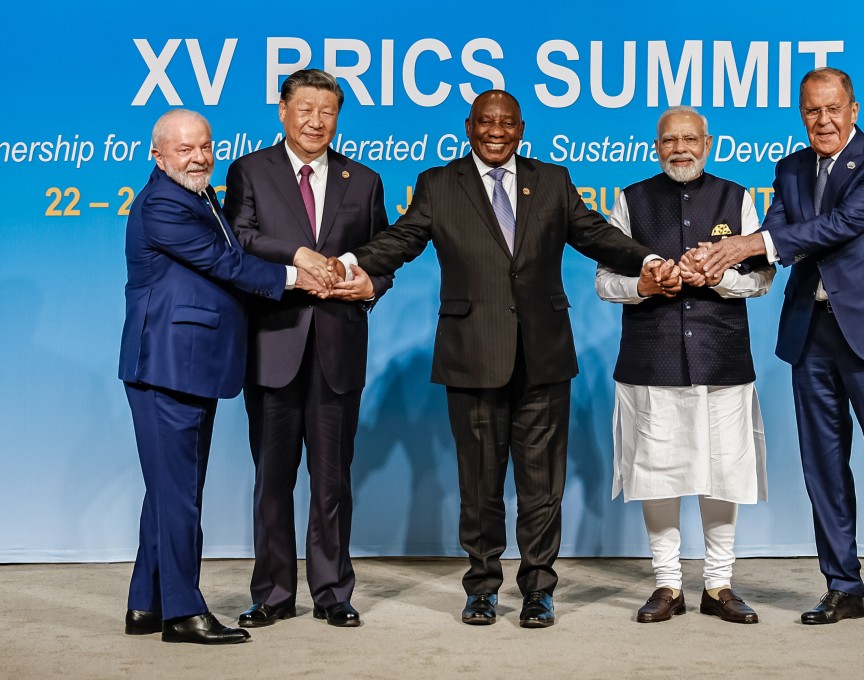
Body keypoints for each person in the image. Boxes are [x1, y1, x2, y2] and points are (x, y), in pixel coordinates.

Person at [339, 89, 675, 628]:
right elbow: (402, 239)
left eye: (507, 123)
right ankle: (482, 586)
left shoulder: (552, 181)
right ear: (468, 126)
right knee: (479, 485)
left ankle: (539, 588)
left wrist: (649, 259)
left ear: (522, 129)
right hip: (471, 356)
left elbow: (595, 234)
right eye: (486, 122)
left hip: (543, 357)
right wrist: (352, 263)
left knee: (543, 487)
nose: (496, 132)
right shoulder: (438, 184)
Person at [698, 67, 864, 634]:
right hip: (810, 334)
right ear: (801, 115)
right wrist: (714, 256)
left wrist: (752, 243)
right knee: (824, 468)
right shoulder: (790, 167)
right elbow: (774, 236)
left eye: (833, 108)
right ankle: (843, 587)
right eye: (812, 111)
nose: (823, 120)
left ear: (854, 108)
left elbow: (841, 225)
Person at [119, 109, 330, 644]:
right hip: (167, 366)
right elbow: (226, 263)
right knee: (178, 495)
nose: (198, 157)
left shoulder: (199, 196)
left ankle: (146, 604)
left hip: (193, 365)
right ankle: (184, 613)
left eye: (205, 146)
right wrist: (297, 276)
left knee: (170, 490)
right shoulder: (165, 203)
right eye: (184, 149)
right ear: (157, 154)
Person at [223, 69, 391, 629]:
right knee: (272, 479)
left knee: (332, 479)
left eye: (328, 112)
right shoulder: (250, 171)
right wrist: (299, 255)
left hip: (338, 349)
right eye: (305, 110)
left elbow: (380, 253)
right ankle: (271, 594)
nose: (316, 121)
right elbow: (240, 236)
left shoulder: (363, 181)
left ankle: (332, 593)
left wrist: (370, 284)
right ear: (283, 111)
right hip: (273, 344)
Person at [596, 106, 773, 625]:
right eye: (669, 140)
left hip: (722, 358)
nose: (680, 148)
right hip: (651, 361)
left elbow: (762, 281)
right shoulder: (631, 200)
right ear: (657, 146)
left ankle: (718, 585)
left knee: (724, 475)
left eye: (690, 139)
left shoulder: (736, 197)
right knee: (658, 474)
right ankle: (667, 584)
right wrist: (643, 286)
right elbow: (605, 282)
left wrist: (716, 276)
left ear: (708, 143)